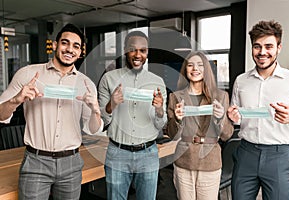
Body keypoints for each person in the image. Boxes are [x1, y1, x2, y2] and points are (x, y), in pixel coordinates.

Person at [0, 23, 103, 200]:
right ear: (55, 45)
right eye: (65, 43)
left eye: (76, 46)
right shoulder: (28, 74)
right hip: (36, 162)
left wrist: (95, 111)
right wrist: (16, 100)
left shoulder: (86, 84)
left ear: (80, 52)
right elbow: (1, 115)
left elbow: (93, 129)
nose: (70, 49)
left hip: (71, 163)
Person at [227, 20, 289, 200]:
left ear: (279, 47)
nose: (262, 52)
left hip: (278, 156)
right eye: (257, 46)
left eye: (269, 46)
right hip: (245, 153)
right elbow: (237, 117)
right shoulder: (241, 80)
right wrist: (232, 117)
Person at [98, 31, 167, 200]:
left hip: (148, 153)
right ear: (125, 50)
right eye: (132, 49)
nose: (138, 55)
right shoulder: (108, 79)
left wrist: (159, 110)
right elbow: (101, 121)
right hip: (117, 153)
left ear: (147, 52)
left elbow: (161, 124)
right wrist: (111, 104)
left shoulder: (157, 82)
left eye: (142, 50)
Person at [166, 51, 233, 200]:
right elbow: (172, 135)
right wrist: (177, 119)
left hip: (210, 161)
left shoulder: (221, 96)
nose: (195, 68)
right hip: (184, 159)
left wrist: (220, 117)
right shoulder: (175, 97)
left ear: (206, 69)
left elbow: (227, 134)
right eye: (190, 65)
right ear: (185, 70)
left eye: (200, 65)